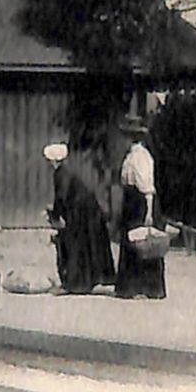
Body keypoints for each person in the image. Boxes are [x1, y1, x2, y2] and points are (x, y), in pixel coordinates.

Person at [45, 139, 116, 294]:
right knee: (87, 244)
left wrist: (56, 215)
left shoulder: (62, 173)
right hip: (85, 209)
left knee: (77, 244)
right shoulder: (67, 171)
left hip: (81, 211)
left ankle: (77, 282)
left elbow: (61, 196)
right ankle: (89, 279)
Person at [112, 114, 166, 300]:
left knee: (143, 242)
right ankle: (130, 286)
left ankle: (149, 287)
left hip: (141, 201)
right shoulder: (130, 156)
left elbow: (147, 187)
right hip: (131, 201)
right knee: (131, 242)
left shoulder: (140, 157)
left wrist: (149, 212)